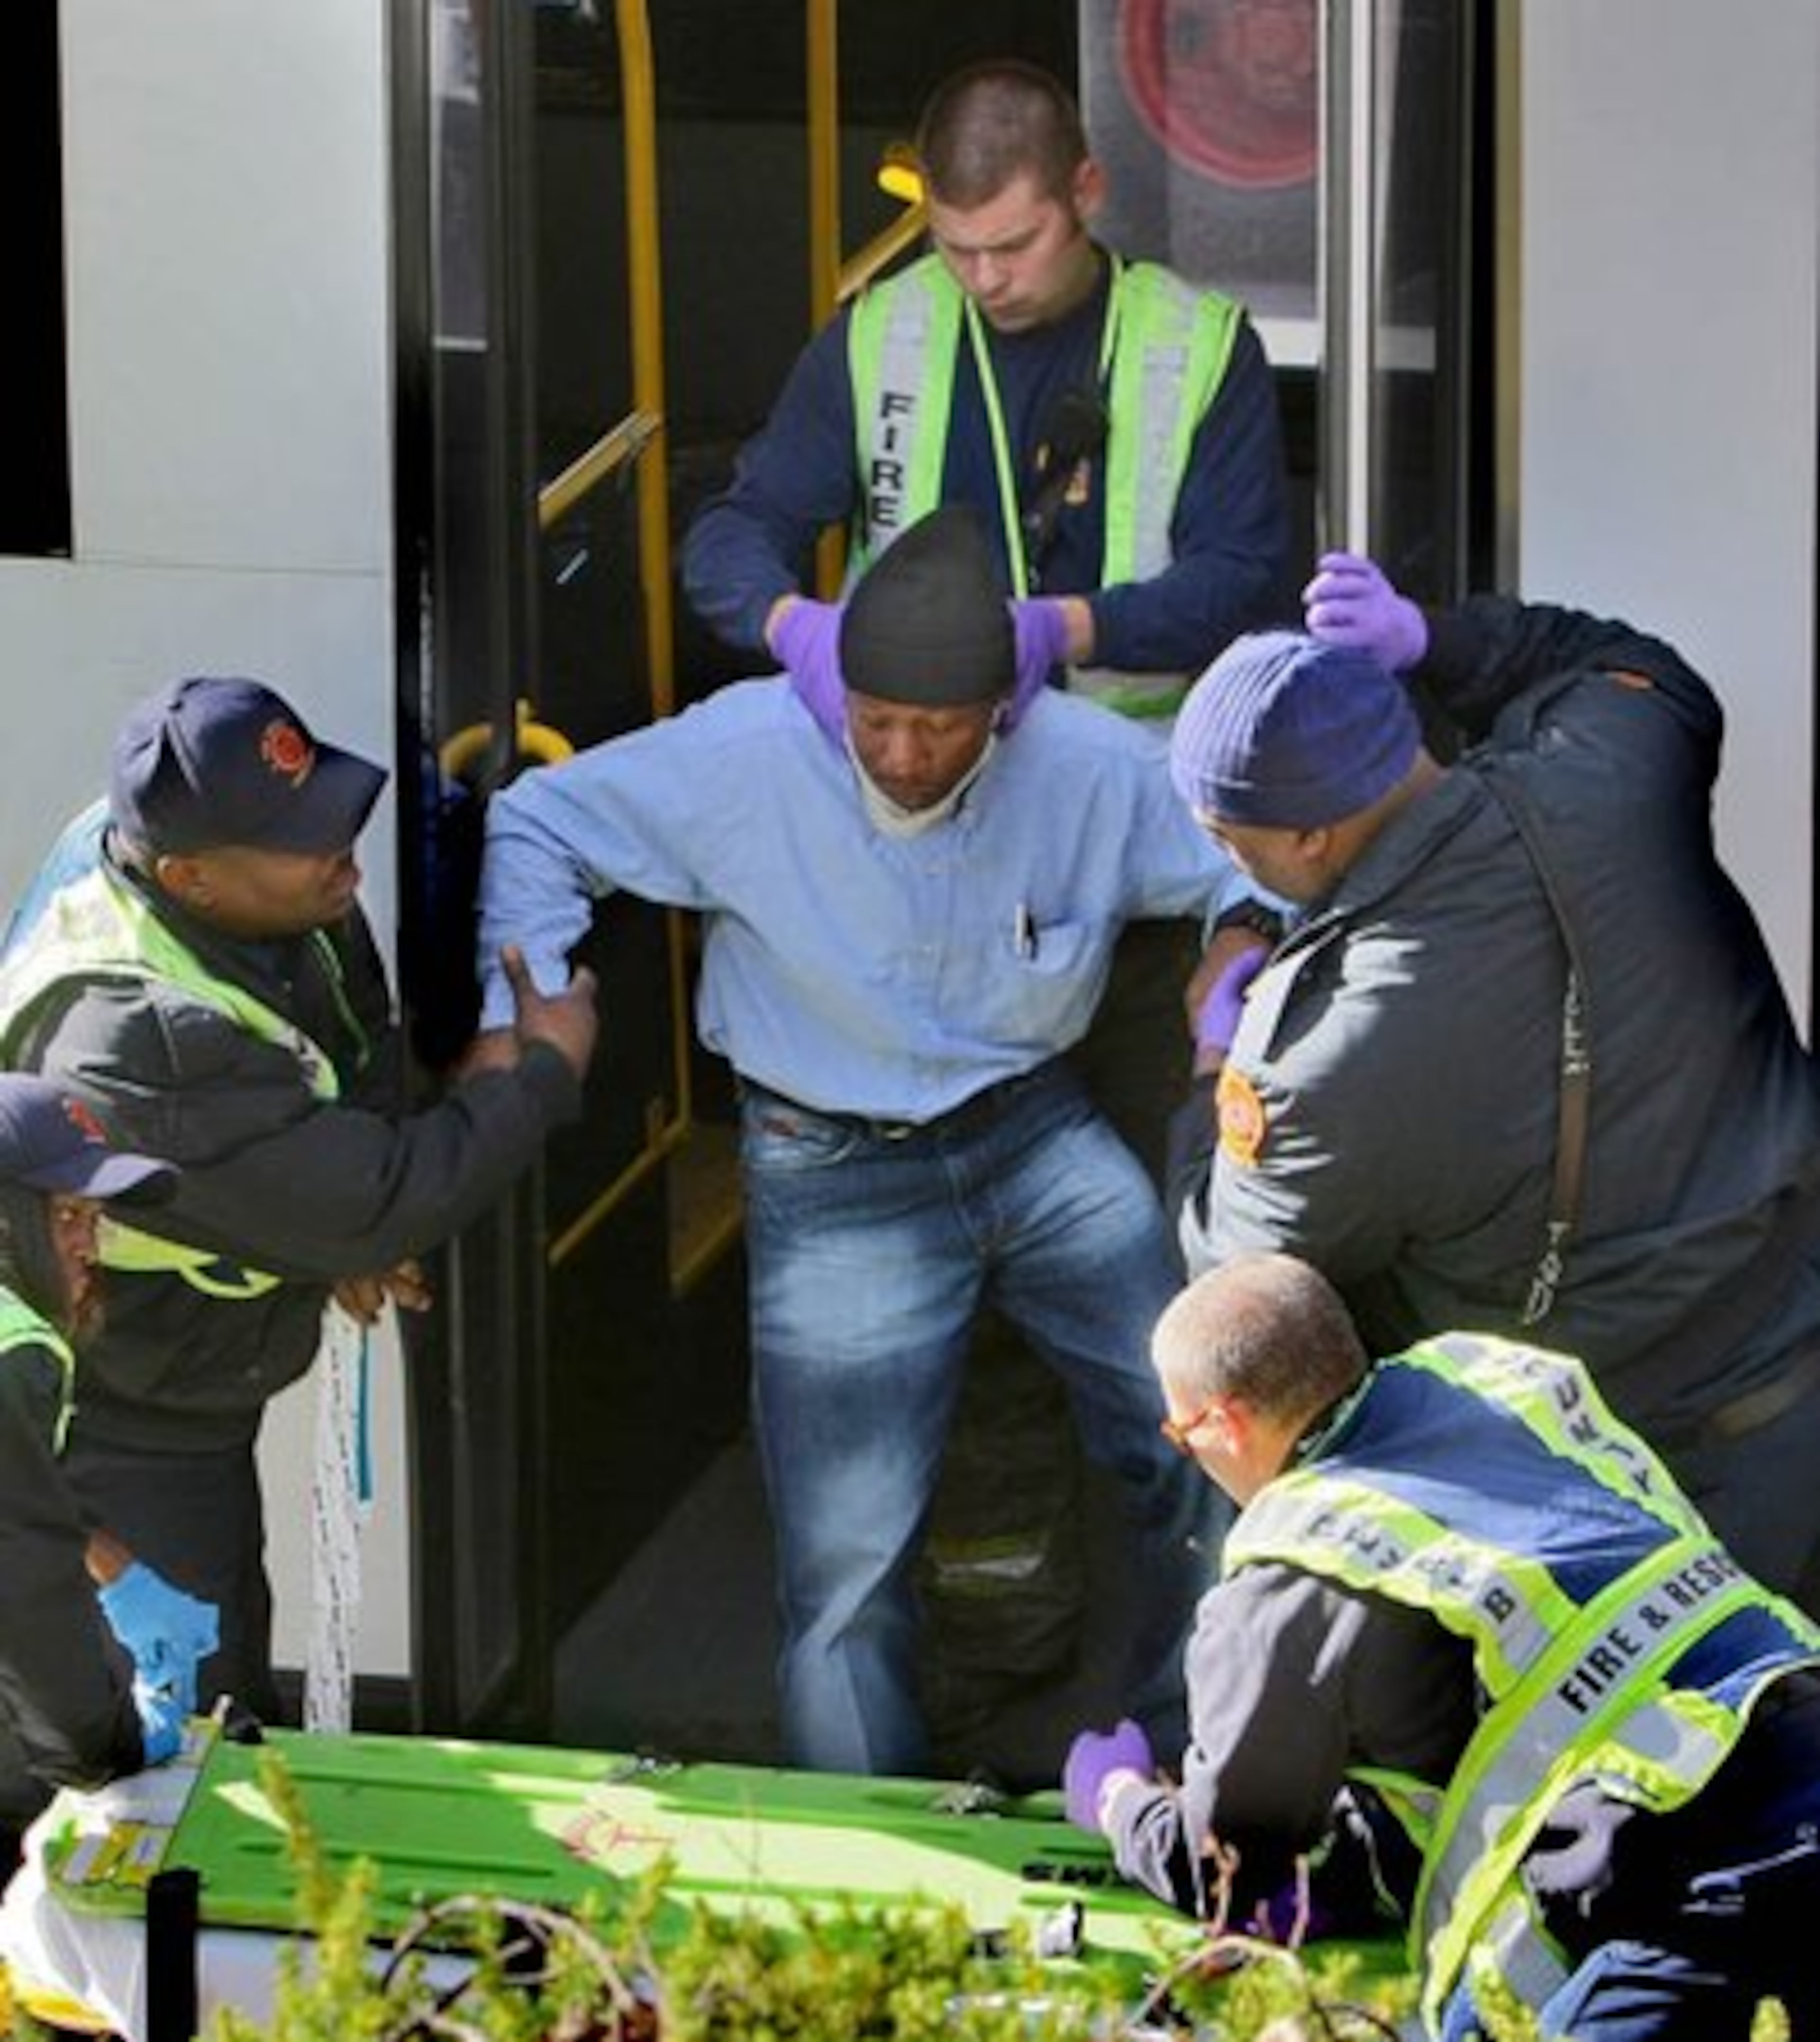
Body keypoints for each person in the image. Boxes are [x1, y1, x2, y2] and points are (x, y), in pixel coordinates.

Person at [477, 506, 1245, 1778]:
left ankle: (1192, 1768)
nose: (901, 754)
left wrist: (1241, 939)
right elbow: (535, 821)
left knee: (1215, 1430)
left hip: (1033, 1132)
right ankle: (862, 1838)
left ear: (1004, 711)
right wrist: (520, 1017)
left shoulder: (1093, 766)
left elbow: (1252, 847)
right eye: (876, 722)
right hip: (830, 1165)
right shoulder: (745, 754)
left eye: (939, 729)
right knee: (844, 1564)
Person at [1165, 559, 1820, 1610]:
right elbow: (1637, 667)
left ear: (1310, 835)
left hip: (1613, 1495)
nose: (1228, 862)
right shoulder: (1611, 763)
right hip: (1795, 1379)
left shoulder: (1330, 1059)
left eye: (1227, 840)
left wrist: (1214, 1068)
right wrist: (1436, 639)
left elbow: (1236, 1279)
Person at [684, 56, 1295, 1184]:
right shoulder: (883, 333)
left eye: (1014, 245)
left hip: (1131, 845)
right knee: (942, 1185)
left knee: (1148, 1187)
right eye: (955, 247)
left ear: (1086, 192)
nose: (984, 278)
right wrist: (793, 627)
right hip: (932, 845)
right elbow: (731, 535)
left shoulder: (1196, 344)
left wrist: (1064, 631)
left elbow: (1248, 582)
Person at [0, 676, 599, 1725]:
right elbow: (378, 1197)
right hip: (120, 1417)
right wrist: (541, 1073)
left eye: (328, 809)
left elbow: (353, 1042)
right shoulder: (136, 1037)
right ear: (190, 877)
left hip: (191, 1386)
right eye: (299, 838)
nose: (341, 849)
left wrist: (330, 1227)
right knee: (175, 1728)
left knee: (221, 1672)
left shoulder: (238, 874)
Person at [1065, 1252, 1820, 2041]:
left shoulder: (1290, 1577)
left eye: (1181, 1434)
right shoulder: (1491, 1381)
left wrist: (1118, 1798)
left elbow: (1220, 1863)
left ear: (1224, 1423)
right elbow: (1480, 1714)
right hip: (1792, 1724)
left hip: (1685, 1870)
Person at [0, 1075, 217, 1881]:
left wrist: (121, 1574)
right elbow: (22, 1592)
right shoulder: (16, 1351)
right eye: (67, 1216)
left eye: (94, 1218)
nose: (89, 1246)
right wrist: (104, 1749)